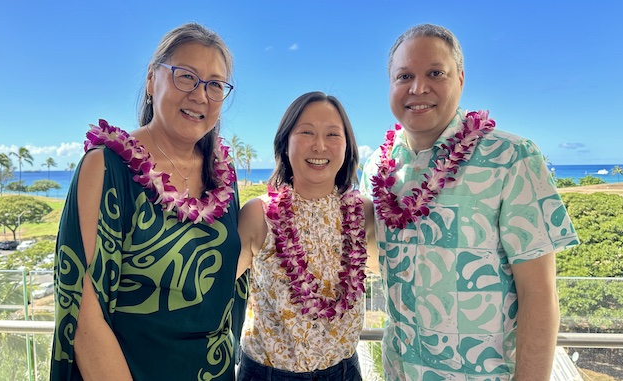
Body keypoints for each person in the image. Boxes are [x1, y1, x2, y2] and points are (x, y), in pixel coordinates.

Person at [360, 24, 580, 380]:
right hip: (400, 371)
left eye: (435, 73)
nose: (418, 88)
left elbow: (538, 295)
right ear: (390, 85)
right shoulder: (376, 168)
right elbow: (378, 262)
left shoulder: (512, 157)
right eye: (404, 76)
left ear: (460, 79)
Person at [51, 22, 248, 381]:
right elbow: (83, 314)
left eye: (215, 85)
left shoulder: (225, 177)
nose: (200, 95)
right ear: (150, 79)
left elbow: (230, 276)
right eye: (185, 76)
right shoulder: (107, 167)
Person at [235, 91, 378, 381]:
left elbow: (392, 268)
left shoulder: (363, 211)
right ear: (285, 143)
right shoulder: (258, 214)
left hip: (345, 371)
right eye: (306, 132)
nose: (320, 145)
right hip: (269, 374)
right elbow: (211, 293)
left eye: (333, 134)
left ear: (348, 146)